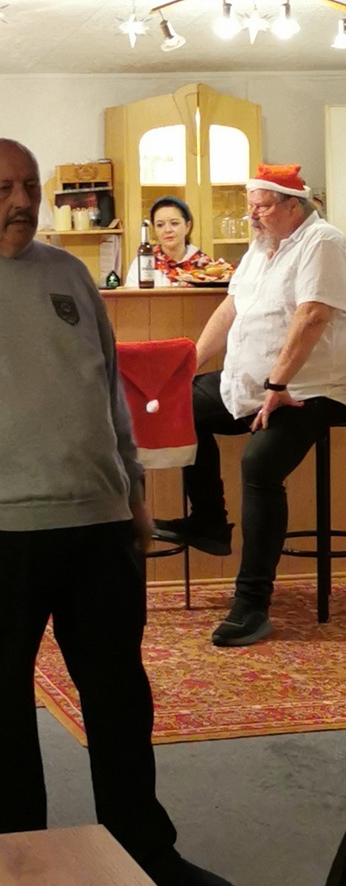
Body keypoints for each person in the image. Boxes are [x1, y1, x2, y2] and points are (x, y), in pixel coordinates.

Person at [0, 137, 239, 886]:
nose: (21, 201)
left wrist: (133, 496)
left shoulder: (69, 276)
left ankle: (144, 852)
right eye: (4, 188)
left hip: (95, 525)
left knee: (118, 698)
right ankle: (20, 865)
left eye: (29, 187)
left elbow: (107, 399)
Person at [154, 163, 346, 647]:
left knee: (259, 466)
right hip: (252, 383)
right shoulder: (261, 247)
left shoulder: (322, 242)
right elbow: (230, 308)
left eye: (261, 207)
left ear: (293, 206)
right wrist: (188, 366)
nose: (253, 216)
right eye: (250, 207)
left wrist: (278, 382)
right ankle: (209, 520)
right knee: (182, 405)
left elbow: (313, 314)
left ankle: (252, 604)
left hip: (310, 389)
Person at [124, 195, 222, 287]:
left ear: (187, 226)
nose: (167, 230)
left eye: (174, 223)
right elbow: (133, 298)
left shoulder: (204, 264)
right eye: (160, 225)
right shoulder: (144, 262)